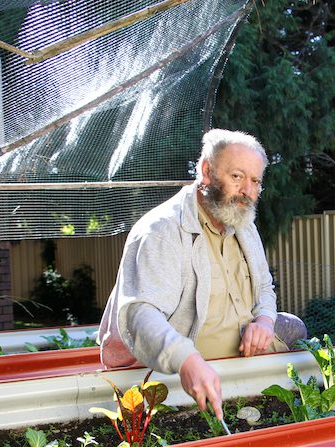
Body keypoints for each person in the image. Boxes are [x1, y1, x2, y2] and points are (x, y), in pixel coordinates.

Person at [98, 129, 306, 420]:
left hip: (241, 355)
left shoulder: (243, 223)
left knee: (293, 328)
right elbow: (140, 314)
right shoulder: (162, 230)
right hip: (181, 367)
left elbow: (264, 288)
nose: (247, 190)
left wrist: (264, 320)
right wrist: (187, 360)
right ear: (206, 171)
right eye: (237, 176)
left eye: (255, 181)